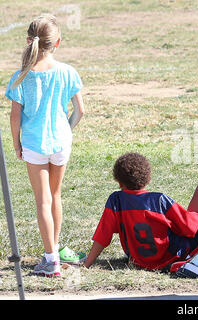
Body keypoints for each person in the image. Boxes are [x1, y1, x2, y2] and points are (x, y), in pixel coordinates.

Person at [5, 15, 86, 277]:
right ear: (57, 43)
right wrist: (66, 131)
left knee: (43, 201)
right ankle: (54, 248)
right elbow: (80, 111)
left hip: (34, 144)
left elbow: (14, 116)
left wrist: (16, 143)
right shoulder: (68, 71)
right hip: (60, 142)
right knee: (55, 195)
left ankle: (51, 260)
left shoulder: (21, 76)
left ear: (29, 41)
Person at [84, 152, 198, 271]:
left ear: (118, 181)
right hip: (171, 256)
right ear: (148, 179)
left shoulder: (115, 201)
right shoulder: (159, 200)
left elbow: (102, 237)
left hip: (138, 261)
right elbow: (191, 228)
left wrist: (87, 264)